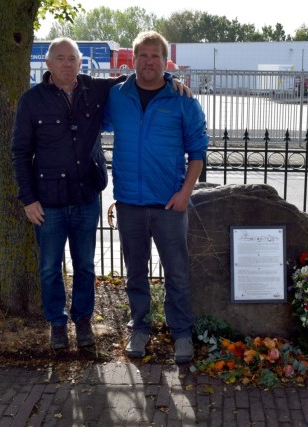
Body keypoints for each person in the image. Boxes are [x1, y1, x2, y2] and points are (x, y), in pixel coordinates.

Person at [11, 37, 189, 352]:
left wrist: (173, 81)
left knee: (85, 266)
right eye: (60, 58)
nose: (67, 64)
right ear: (48, 64)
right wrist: (28, 198)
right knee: (50, 266)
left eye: (72, 59)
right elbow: (20, 152)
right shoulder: (31, 101)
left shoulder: (95, 90)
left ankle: (82, 322)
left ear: (81, 64)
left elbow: (140, 77)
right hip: (47, 202)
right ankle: (56, 322)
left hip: (85, 197)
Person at [103, 31, 209, 364]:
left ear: (166, 62)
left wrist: (185, 193)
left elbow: (198, 150)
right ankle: (140, 327)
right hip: (130, 203)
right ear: (132, 60)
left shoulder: (183, 99)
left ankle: (181, 333)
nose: (149, 62)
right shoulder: (116, 96)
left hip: (169, 205)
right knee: (135, 271)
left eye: (156, 56)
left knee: (176, 272)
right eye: (142, 56)